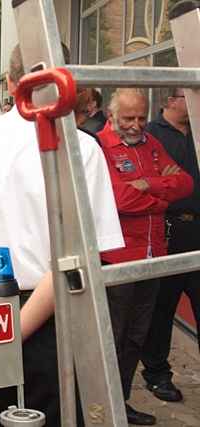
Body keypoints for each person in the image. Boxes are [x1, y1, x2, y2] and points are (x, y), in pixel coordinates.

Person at [0, 45, 125, 426]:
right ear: (68, 80)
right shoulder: (82, 149)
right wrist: (6, 328)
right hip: (46, 319)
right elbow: (81, 256)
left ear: (10, 82)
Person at [97, 88, 193, 425]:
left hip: (153, 255)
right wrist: (163, 200)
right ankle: (100, 403)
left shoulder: (152, 143)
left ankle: (120, 402)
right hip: (119, 259)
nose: (137, 125)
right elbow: (119, 199)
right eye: (129, 118)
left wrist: (146, 184)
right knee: (114, 336)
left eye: (141, 117)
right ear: (112, 116)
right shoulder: (100, 146)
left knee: (137, 335)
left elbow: (185, 183)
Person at [140, 87, 200, 403]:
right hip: (168, 231)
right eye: (188, 95)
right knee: (161, 309)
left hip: (198, 232)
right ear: (170, 101)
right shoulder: (152, 134)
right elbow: (148, 183)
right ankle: (157, 374)